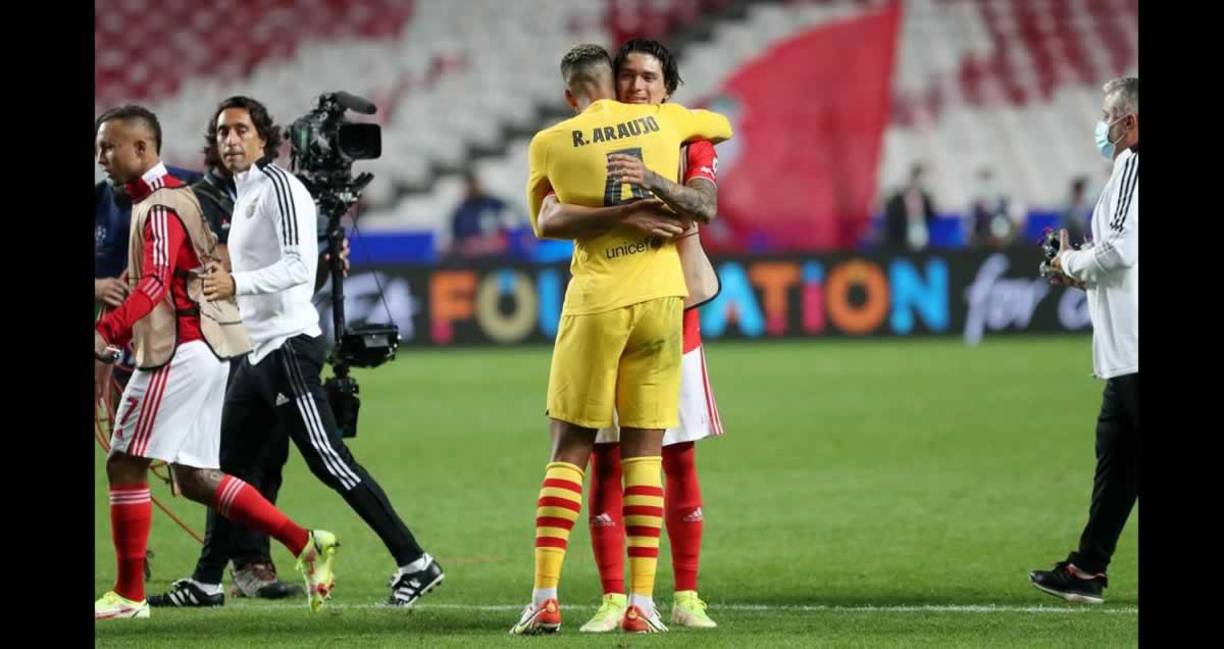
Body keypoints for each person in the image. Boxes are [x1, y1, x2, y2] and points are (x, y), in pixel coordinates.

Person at [511, 44, 731, 635]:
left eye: (648, 77)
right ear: (611, 82)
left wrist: (645, 187)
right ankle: (630, 599)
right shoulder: (673, 124)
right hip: (660, 304)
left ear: (667, 85)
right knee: (630, 457)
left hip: (629, 307)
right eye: (627, 76)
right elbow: (723, 123)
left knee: (605, 451)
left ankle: (672, 594)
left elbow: (703, 205)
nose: (637, 86)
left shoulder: (558, 140)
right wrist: (634, 205)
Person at [92, 105, 338, 620]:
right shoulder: (172, 200)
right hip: (204, 350)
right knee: (197, 478)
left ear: (141, 149)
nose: (101, 158)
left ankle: (129, 595)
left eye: (108, 147)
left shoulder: (159, 207)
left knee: (124, 461)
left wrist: (106, 329)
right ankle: (305, 543)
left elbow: (154, 286)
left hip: (175, 352)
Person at [200, 96, 444, 608]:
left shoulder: (280, 188)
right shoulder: (245, 193)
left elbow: (294, 266)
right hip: (258, 350)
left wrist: (235, 283)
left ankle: (415, 562)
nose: (231, 140)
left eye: (242, 130)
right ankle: (205, 581)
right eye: (223, 131)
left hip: (288, 345)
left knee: (330, 462)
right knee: (225, 468)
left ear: (264, 140)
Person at [1031, 76, 1138, 604]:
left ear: (1129, 122)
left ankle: (1088, 567)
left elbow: (1117, 252)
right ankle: (1088, 569)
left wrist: (1066, 260)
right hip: (1125, 353)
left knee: (1120, 457)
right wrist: (1080, 272)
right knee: (1117, 460)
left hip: (1137, 348)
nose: (1103, 124)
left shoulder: (1134, 166)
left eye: (1107, 113)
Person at [449, 171, 519, 258]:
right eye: (469, 185)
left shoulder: (495, 204)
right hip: (471, 258)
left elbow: (511, 225)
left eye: (474, 184)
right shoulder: (461, 211)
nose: (472, 188)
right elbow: (456, 238)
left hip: (497, 256)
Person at [883, 164, 935, 251]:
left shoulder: (924, 197)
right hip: (904, 233)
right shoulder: (900, 197)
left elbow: (931, 214)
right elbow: (893, 213)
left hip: (920, 228)